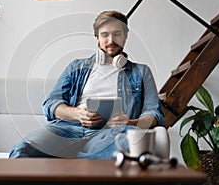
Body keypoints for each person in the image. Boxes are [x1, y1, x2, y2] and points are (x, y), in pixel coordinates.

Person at [9, 10, 164, 159]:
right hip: (68, 129)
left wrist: (129, 122)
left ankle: (71, 160)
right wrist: (77, 113)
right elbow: (50, 104)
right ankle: (84, 159)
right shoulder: (76, 67)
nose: (111, 40)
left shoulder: (141, 71)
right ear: (96, 37)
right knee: (22, 150)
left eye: (117, 34)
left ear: (125, 36)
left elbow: (154, 114)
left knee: (131, 143)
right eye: (105, 35)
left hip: (113, 132)